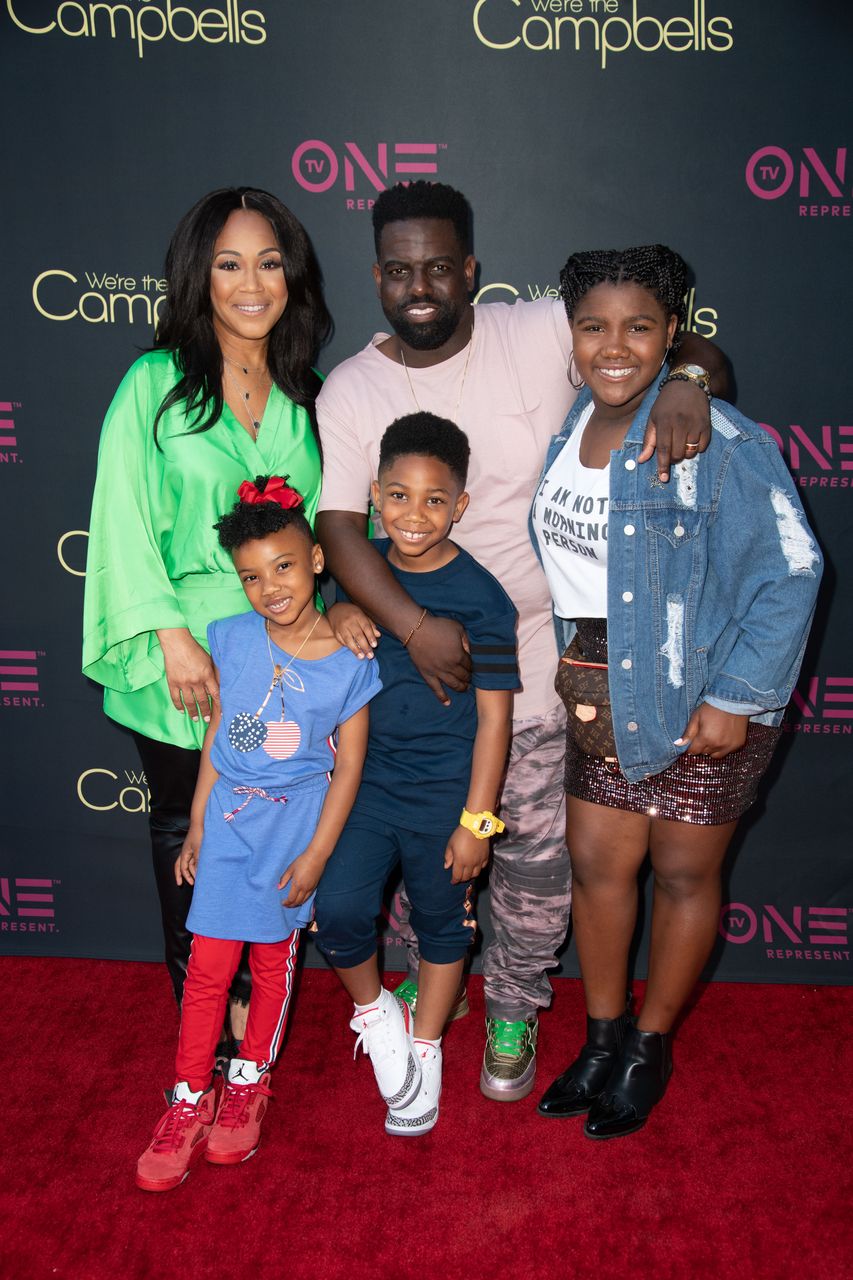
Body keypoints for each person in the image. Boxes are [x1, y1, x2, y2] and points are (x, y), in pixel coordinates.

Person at [315, 180, 730, 1101]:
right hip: (411, 689)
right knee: (425, 853)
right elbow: (340, 529)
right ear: (376, 277)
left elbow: (677, 337)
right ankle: (439, 986)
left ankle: (511, 1004)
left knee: (538, 867)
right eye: (396, 270)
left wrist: (691, 384)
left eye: (436, 267)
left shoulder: (540, 329)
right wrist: (419, 630)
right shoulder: (350, 388)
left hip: (547, 672)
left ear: (471, 270)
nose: (417, 286)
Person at [532, 245, 821, 1137]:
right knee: (597, 869)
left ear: (671, 336)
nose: (613, 346)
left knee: (684, 873)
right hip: (598, 693)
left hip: (702, 692)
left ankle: (649, 1045)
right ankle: (602, 1035)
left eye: (638, 327)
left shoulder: (719, 440)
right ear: (571, 334)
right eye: (593, 326)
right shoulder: (565, 429)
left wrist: (737, 697)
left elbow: (794, 570)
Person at [83, 187, 331, 1045]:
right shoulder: (154, 385)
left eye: (269, 262)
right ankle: (208, 1019)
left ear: (292, 277)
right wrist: (171, 637)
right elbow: (119, 517)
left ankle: (258, 1011)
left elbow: (329, 531)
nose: (251, 282)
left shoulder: (310, 393)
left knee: (269, 822)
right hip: (184, 655)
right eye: (229, 264)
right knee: (185, 829)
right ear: (199, 277)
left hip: (283, 654)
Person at [135, 478, 381, 1191]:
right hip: (230, 828)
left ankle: (248, 1081)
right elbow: (219, 732)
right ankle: (188, 1097)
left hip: (293, 831)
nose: (268, 586)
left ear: (315, 561)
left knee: (272, 967)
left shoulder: (347, 656)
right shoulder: (231, 637)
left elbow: (349, 769)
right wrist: (199, 826)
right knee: (207, 967)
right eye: (250, 575)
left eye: (283, 566)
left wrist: (316, 855)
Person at [313, 414, 517, 1134]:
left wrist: (476, 821)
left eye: (434, 500)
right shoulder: (356, 569)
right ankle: (377, 1015)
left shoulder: (484, 597)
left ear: (460, 506)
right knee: (336, 912)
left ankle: (425, 1046)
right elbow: (313, 631)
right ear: (372, 496)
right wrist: (337, 615)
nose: (413, 514)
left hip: (442, 798)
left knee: (440, 927)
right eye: (397, 495)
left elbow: (494, 720)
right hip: (362, 790)